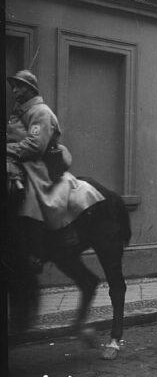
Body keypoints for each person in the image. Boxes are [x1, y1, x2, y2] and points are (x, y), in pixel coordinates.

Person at [6, 69, 105, 255]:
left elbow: (35, 146)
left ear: (30, 89)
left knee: (32, 198)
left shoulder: (41, 112)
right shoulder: (20, 112)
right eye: (13, 87)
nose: (14, 91)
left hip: (36, 164)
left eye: (18, 87)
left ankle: (36, 250)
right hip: (16, 159)